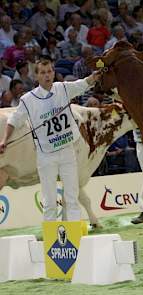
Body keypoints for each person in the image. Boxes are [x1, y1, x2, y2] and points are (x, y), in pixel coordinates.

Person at [0, 59, 101, 221]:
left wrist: (94, 77)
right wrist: (4, 140)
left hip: (67, 150)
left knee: (71, 196)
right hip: (46, 154)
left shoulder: (63, 89)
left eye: (49, 72)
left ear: (53, 73)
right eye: (43, 73)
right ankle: (51, 236)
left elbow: (83, 84)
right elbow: (14, 120)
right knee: (49, 200)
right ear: (37, 76)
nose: (47, 75)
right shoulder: (28, 99)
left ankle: (73, 234)